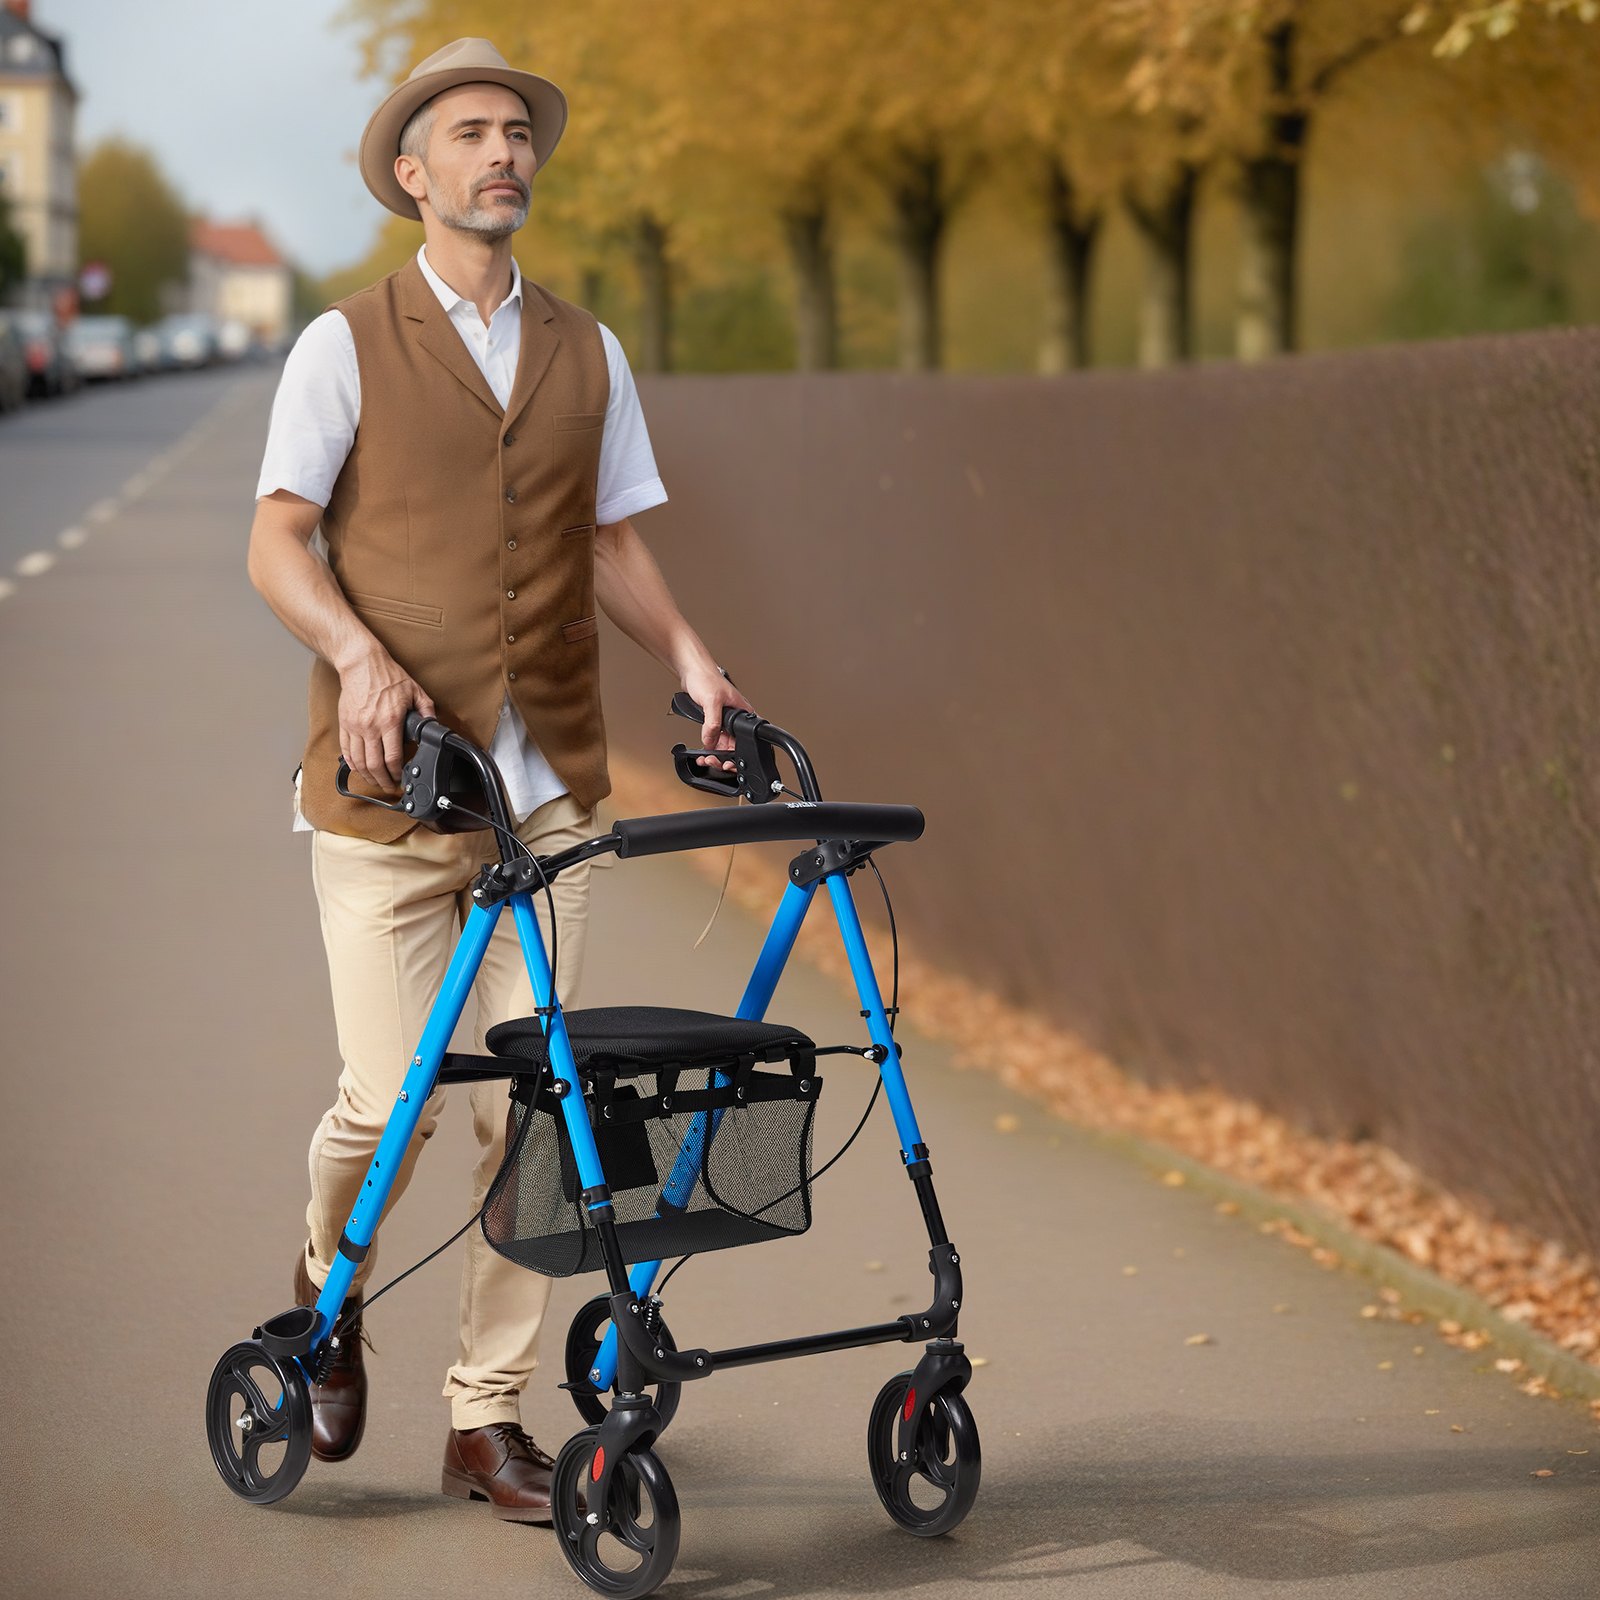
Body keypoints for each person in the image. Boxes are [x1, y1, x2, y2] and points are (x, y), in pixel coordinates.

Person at [246, 36, 752, 1523]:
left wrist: (697, 661)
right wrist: (356, 657)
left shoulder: (588, 350)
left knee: (540, 1120)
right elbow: (277, 538)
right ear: (415, 174)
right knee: (388, 1097)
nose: (504, 152)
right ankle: (325, 1284)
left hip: (551, 792)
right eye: (471, 132)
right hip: (395, 790)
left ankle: (487, 1419)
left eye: (518, 132)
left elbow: (607, 540)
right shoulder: (342, 346)